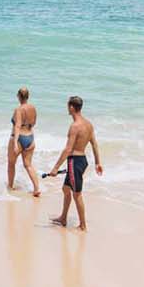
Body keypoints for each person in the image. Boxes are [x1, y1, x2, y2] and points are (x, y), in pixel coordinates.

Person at [47, 95, 102, 230]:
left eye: (68, 105)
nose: (67, 108)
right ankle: (63, 218)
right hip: (82, 161)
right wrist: (97, 162)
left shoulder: (75, 126)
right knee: (66, 189)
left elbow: (68, 149)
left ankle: (83, 225)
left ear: (72, 107)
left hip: (74, 161)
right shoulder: (88, 124)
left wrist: (55, 168)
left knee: (77, 194)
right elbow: (94, 144)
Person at [6, 87, 39, 196]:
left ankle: (10, 187)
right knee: (28, 165)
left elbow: (17, 126)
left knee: (11, 163)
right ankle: (36, 188)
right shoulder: (33, 108)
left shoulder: (19, 110)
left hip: (19, 138)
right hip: (30, 137)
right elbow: (33, 123)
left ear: (18, 96)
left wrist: (15, 143)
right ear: (28, 96)